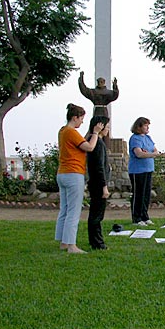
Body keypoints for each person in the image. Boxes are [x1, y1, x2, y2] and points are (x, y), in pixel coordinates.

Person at [55, 103, 104, 254]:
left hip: (62, 173)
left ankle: (63, 241)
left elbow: (79, 142)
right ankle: (71, 245)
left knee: (65, 208)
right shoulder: (71, 132)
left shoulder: (63, 131)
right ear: (75, 117)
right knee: (74, 211)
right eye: (81, 119)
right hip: (73, 173)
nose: (82, 122)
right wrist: (95, 133)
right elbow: (89, 147)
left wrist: (90, 132)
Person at [128, 117, 162, 226]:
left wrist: (150, 153)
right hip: (137, 171)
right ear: (139, 127)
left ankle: (145, 216)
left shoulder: (148, 138)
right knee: (138, 194)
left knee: (146, 194)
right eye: (145, 125)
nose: (148, 128)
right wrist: (151, 154)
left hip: (148, 169)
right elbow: (139, 153)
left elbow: (155, 150)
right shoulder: (135, 139)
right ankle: (136, 218)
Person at [86, 116, 111, 250]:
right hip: (98, 184)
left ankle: (95, 241)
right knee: (97, 214)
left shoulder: (97, 141)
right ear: (100, 126)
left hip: (96, 182)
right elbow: (99, 167)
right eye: (106, 126)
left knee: (96, 213)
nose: (108, 129)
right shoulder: (98, 144)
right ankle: (97, 243)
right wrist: (104, 186)